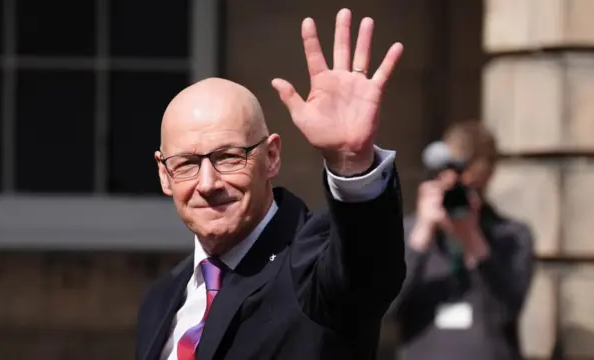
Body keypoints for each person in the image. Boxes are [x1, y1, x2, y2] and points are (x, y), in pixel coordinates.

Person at [135, 8, 406, 360]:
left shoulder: (313, 268)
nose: (207, 183)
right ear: (163, 174)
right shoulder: (162, 299)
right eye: (186, 163)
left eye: (228, 157)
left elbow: (366, 272)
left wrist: (352, 163)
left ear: (272, 156)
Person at [387, 121, 536, 360]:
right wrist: (421, 236)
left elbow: (505, 311)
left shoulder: (511, 236)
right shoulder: (408, 233)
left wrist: (472, 240)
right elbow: (384, 311)